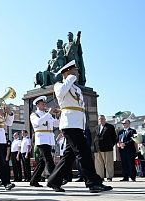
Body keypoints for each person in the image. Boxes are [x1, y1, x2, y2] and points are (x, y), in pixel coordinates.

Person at [47, 60, 112, 193]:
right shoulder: (59, 85)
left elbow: (79, 107)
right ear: (67, 72)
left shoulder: (76, 88)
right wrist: (69, 77)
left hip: (78, 124)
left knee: (69, 155)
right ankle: (93, 182)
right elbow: (61, 94)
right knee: (84, 153)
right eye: (74, 71)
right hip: (69, 124)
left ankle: (54, 180)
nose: (77, 73)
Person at [29, 96, 59, 187]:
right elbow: (38, 122)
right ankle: (54, 181)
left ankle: (33, 180)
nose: (44, 105)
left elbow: (56, 124)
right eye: (42, 103)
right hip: (41, 139)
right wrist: (49, 113)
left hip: (49, 139)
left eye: (45, 103)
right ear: (37, 105)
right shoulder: (34, 115)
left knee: (42, 162)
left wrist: (58, 117)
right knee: (49, 159)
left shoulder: (47, 114)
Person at [93, 115, 117, 181]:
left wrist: (111, 145)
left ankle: (109, 177)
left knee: (108, 163)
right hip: (98, 149)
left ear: (105, 119)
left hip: (107, 148)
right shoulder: (96, 127)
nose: (101, 120)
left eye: (102, 119)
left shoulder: (110, 127)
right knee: (98, 164)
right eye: (100, 119)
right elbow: (95, 138)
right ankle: (100, 177)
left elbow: (114, 137)